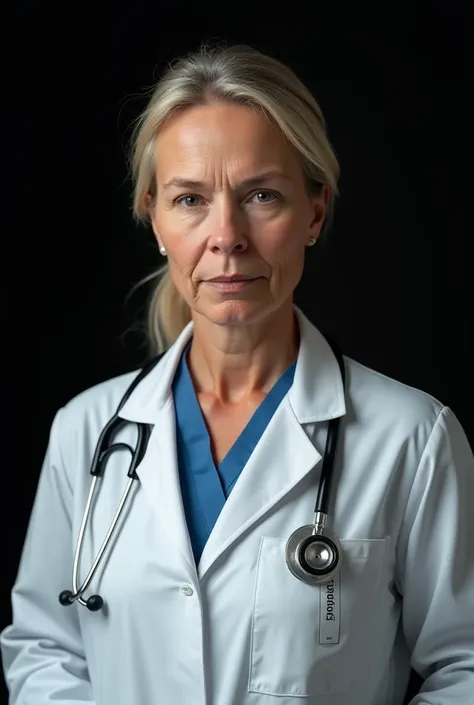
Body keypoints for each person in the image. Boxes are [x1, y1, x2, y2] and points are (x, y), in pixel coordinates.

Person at [1, 42, 473, 705]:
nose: (227, 235)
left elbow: (466, 666)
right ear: (154, 217)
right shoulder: (87, 431)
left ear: (315, 210)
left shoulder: (411, 438)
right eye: (191, 199)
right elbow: (46, 647)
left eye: (261, 194)